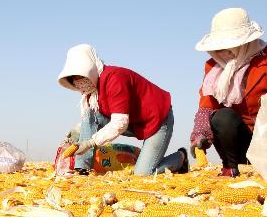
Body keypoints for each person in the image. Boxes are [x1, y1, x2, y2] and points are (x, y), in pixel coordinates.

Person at [190, 8, 267, 177]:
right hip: (239, 139)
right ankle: (231, 167)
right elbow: (207, 106)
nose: (224, 51)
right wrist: (199, 134)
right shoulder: (213, 66)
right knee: (223, 117)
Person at [57, 44, 187, 176]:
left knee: (143, 174)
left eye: (81, 76)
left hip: (157, 119)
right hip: (134, 120)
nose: (79, 83)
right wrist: (75, 138)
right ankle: (82, 169)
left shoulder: (115, 79)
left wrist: (89, 143)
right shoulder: (92, 92)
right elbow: (90, 122)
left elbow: (120, 123)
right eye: (74, 79)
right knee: (90, 114)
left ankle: (180, 158)